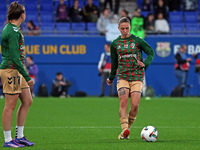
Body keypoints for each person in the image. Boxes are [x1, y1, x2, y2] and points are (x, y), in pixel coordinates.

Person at [106, 17, 155, 140]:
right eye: (122, 28)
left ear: (130, 27)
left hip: (137, 76)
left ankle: (128, 129)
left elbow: (151, 52)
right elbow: (114, 63)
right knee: (123, 102)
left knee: (135, 106)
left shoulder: (138, 41)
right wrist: (111, 77)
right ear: (118, 28)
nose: (125, 31)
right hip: (122, 76)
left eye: (127, 28)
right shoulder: (115, 44)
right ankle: (124, 130)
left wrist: (145, 63)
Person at [0, 1, 34, 147]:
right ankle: (7, 140)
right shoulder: (12, 32)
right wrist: (27, 76)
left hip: (16, 69)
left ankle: (19, 136)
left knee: (27, 101)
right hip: (11, 70)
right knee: (10, 105)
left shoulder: (12, 29)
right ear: (22, 15)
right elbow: (14, 57)